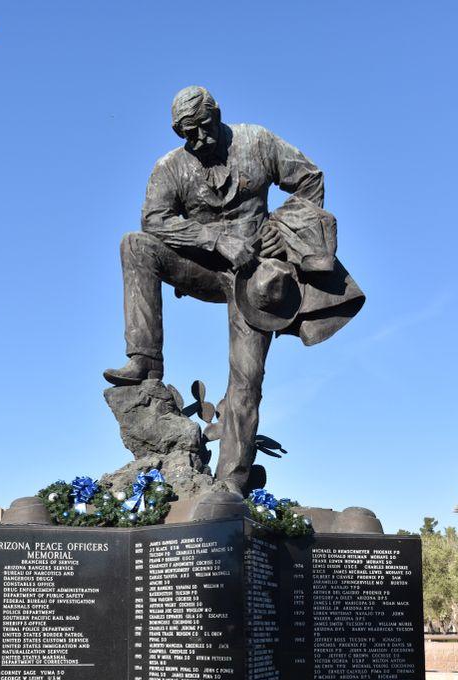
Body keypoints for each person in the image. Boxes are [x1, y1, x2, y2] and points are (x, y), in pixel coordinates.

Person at [104, 86, 364, 495]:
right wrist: (213, 239)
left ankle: (230, 486)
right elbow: (154, 219)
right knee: (134, 244)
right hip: (203, 267)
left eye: (204, 128)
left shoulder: (256, 141)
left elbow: (310, 179)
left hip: (255, 279)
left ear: (218, 114)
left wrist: (280, 229)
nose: (198, 140)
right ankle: (144, 360)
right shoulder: (171, 167)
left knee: (247, 379)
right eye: (187, 134)